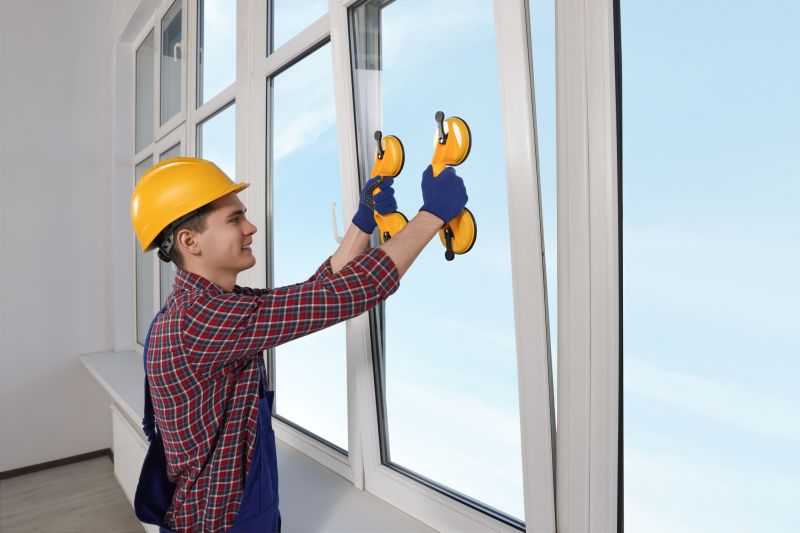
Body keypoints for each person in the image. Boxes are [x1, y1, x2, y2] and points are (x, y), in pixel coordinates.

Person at [129, 157, 468, 533]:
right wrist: (432, 214)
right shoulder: (203, 322)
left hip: (228, 510)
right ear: (189, 241)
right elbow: (349, 294)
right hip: (219, 523)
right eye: (234, 220)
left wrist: (362, 223)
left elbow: (309, 298)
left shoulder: (204, 308)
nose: (250, 227)